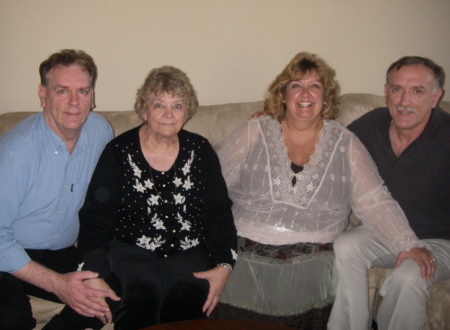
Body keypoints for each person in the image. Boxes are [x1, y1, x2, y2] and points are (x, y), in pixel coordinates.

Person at [217, 52, 427, 329]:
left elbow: (374, 200)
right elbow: (213, 187)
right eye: (296, 85)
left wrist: (408, 245)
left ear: (326, 97)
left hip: (313, 258)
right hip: (245, 251)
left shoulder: (345, 142)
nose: (305, 93)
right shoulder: (253, 131)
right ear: (283, 95)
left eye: (314, 86)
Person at [75, 65, 238, 330]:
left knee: (188, 295)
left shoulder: (200, 151)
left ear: (188, 111)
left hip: (187, 248)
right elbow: (96, 215)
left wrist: (224, 264)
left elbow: (218, 212)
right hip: (130, 247)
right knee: (141, 294)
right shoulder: (119, 151)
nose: (168, 115)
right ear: (144, 109)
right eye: (159, 104)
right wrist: (91, 270)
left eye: (177, 106)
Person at [328, 56, 450, 330]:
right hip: (389, 231)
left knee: (409, 275)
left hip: (442, 241)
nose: (404, 101)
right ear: (386, 92)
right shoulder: (370, 126)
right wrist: (275, 122)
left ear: (435, 97)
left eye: (417, 91)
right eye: (397, 89)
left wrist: (417, 247)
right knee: (346, 245)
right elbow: (327, 146)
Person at [0, 49, 118, 330]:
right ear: (43, 95)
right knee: (10, 319)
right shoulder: (15, 151)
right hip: (8, 255)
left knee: (121, 289)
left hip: (61, 252)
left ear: (93, 96)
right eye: (62, 91)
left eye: (83, 91)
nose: (75, 103)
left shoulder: (101, 132)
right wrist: (58, 284)